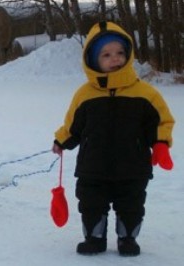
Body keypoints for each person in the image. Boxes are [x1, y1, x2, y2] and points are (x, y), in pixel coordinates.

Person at [52, 21, 175, 256]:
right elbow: (73, 125)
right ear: (93, 60)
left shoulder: (145, 93)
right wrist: (61, 141)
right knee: (91, 203)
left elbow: (162, 121)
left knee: (131, 205)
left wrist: (160, 144)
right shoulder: (85, 95)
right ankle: (94, 238)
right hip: (92, 167)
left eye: (120, 52)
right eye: (106, 55)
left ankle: (127, 239)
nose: (115, 58)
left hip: (132, 167)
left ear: (127, 55)